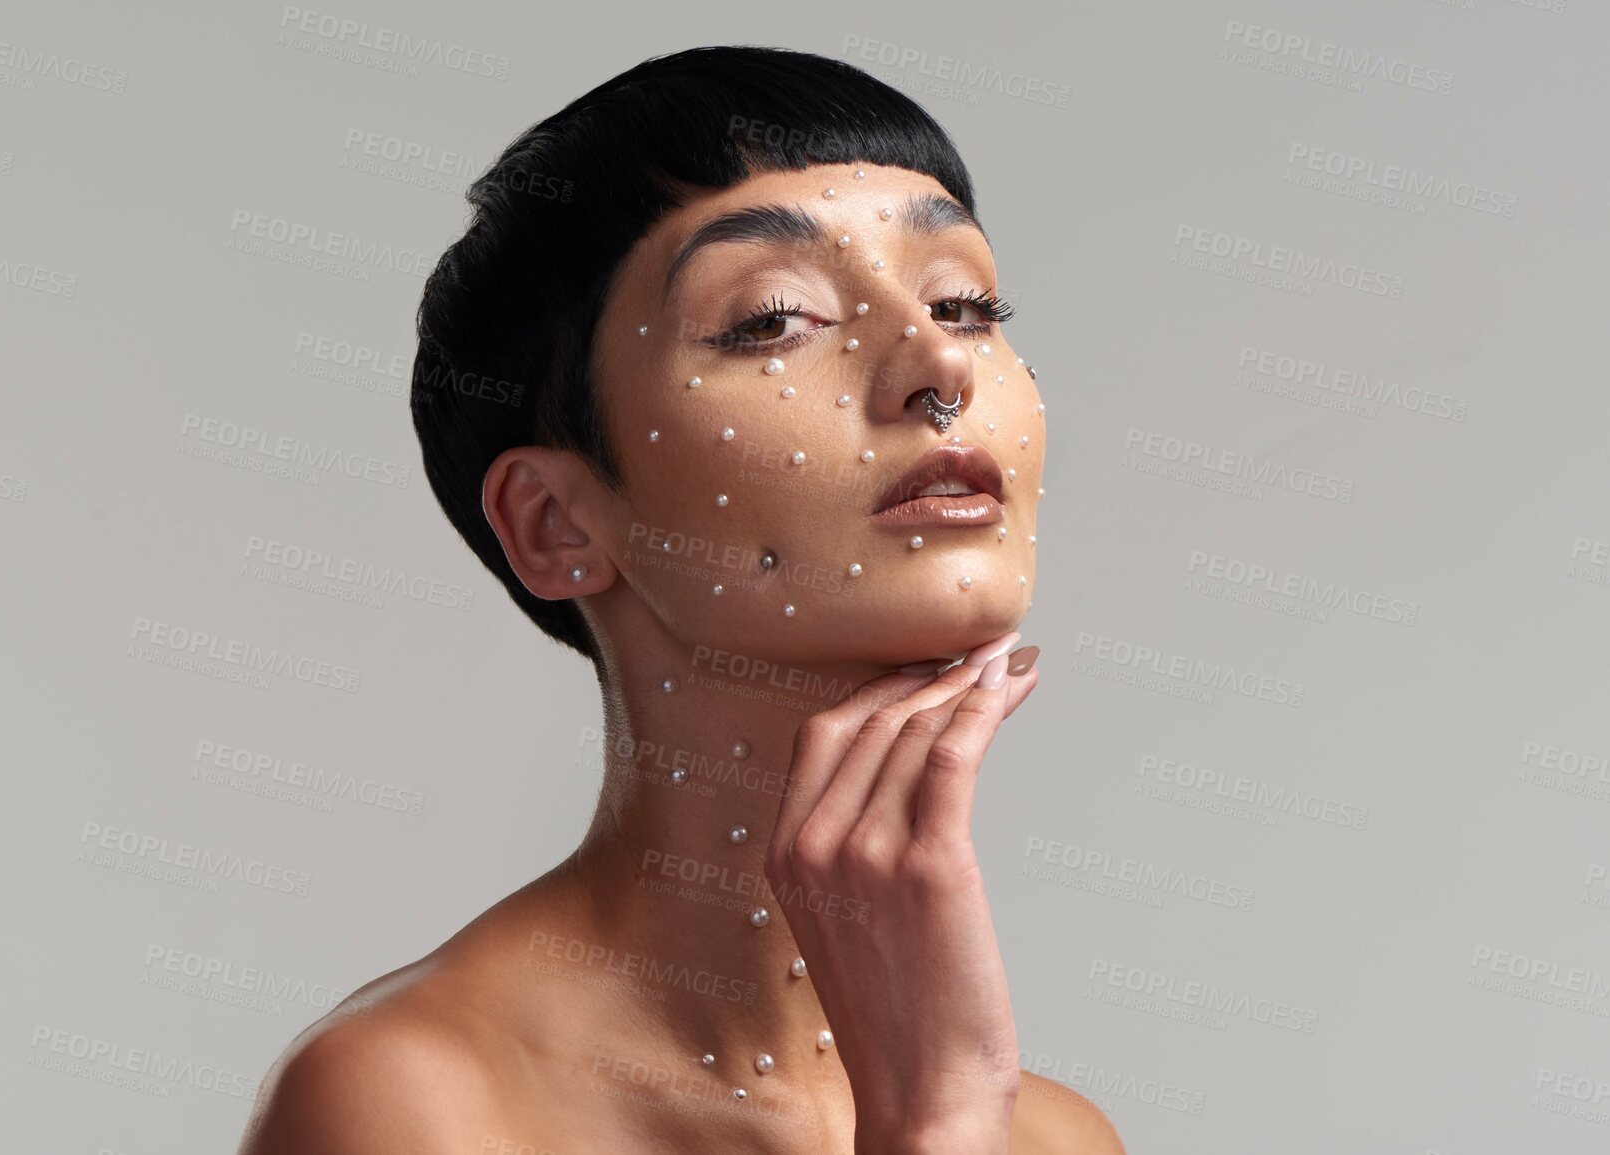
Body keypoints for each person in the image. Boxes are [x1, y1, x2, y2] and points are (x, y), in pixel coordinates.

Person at [238, 44, 1124, 1155]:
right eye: (772, 321)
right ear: (558, 524)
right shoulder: (418, 1102)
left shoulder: (1055, 1138)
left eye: (964, 299)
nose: (936, 363)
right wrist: (934, 1121)